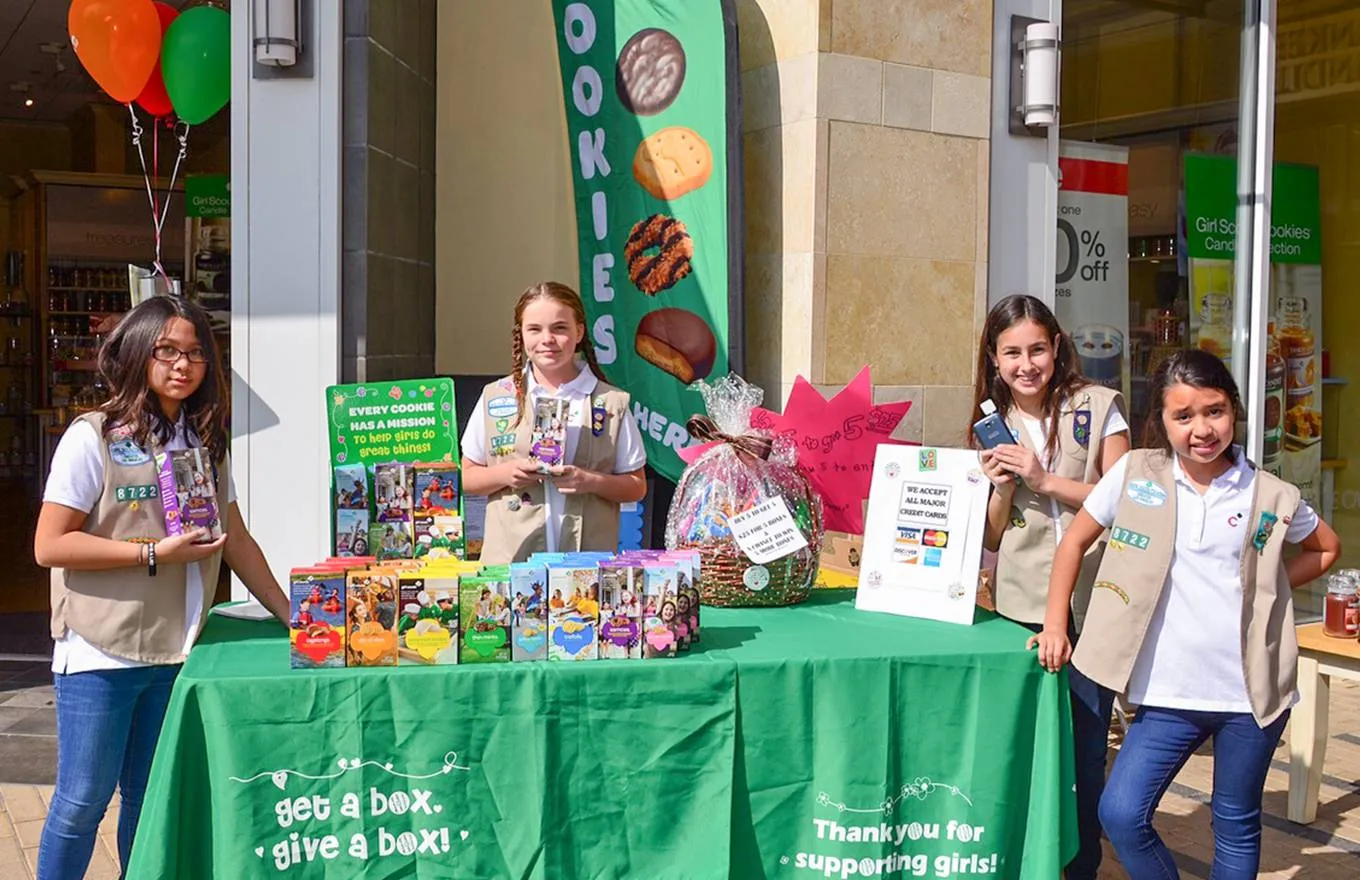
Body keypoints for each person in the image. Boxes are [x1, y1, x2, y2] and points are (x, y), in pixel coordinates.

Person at [1031, 350, 1340, 878]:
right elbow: (1074, 543)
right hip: (1169, 694)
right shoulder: (1135, 473)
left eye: (1215, 411)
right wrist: (1055, 623)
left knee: (1236, 822)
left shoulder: (1269, 492)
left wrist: (1266, 591)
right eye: (1184, 416)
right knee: (1122, 812)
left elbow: (1325, 548)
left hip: (1250, 696)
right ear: (1163, 422)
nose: (1203, 428)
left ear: (1235, 411)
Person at [33, 295, 290, 879]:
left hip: (178, 652)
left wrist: (293, 615)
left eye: (196, 352)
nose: (183, 365)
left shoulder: (203, 439)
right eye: (167, 351)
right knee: (81, 803)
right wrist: (153, 552)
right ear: (136, 355)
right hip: (101, 650)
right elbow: (49, 545)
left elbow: (237, 540)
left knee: (148, 802)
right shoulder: (92, 436)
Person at [969, 294, 1131, 880]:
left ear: (1057, 346)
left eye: (1037, 348)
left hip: (1095, 602)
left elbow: (1128, 501)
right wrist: (1004, 489)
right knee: (1029, 749)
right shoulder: (990, 425)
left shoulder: (1100, 406)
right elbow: (991, 537)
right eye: (1012, 352)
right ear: (994, 357)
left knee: (1088, 750)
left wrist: (1043, 479)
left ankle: (1080, 865)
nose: (1026, 364)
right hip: (1020, 608)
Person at [462, 282, 647, 563]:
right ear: (521, 335)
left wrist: (590, 481)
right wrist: (505, 474)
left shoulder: (610, 402)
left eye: (560, 328)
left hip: (585, 565)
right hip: (511, 566)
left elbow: (636, 485)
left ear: (579, 332)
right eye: (534, 329)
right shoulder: (496, 397)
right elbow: (466, 476)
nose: (547, 339)